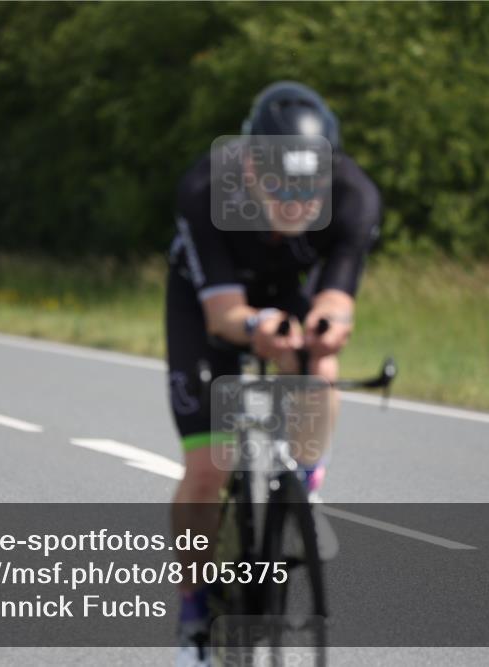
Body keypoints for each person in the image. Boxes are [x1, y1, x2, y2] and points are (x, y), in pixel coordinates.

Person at [166, 81, 382, 666]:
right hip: (210, 303)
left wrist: (323, 326)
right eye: (279, 184)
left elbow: (337, 299)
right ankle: (192, 616)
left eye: (308, 186)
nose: (295, 198)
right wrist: (259, 324)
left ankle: (303, 489)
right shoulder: (206, 187)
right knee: (209, 466)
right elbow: (223, 313)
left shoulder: (355, 196)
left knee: (318, 360)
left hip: (286, 296)